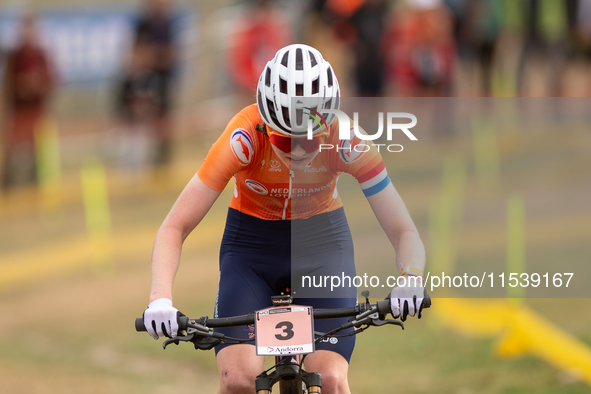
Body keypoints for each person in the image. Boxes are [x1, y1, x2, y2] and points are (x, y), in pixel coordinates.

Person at [141, 44, 426, 394]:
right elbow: (174, 226)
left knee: (332, 381)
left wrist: (410, 277)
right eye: (284, 139)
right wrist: (160, 299)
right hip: (251, 251)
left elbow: (403, 230)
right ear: (266, 123)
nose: (298, 150)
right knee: (238, 382)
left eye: (309, 139)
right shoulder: (242, 137)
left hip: (322, 248)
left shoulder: (346, 140)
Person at [1, 13, 54, 192]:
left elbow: (50, 83)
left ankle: (39, 188)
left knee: (39, 155)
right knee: (12, 153)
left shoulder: (42, 56)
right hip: (18, 113)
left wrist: (35, 85)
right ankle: (7, 189)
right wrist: (21, 86)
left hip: (36, 112)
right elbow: (8, 87)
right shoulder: (13, 58)